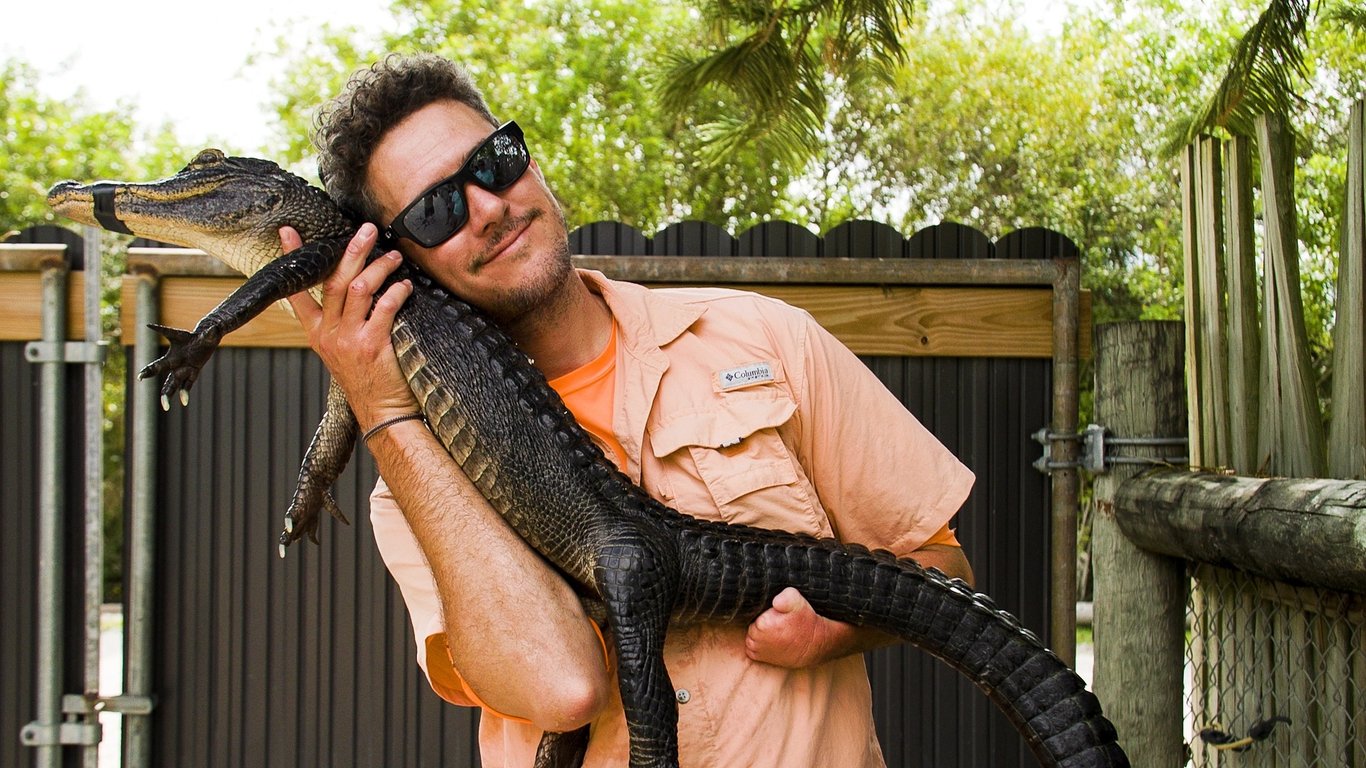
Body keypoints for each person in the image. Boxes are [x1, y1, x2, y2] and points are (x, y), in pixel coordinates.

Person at [282, 52, 975, 768]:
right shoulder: (413, 484)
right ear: (402, 262)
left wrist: (842, 626)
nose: (488, 208)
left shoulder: (768, 339)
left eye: (494, 162)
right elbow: (560, 689)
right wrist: (378, 409)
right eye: (436, 209)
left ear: (531, 161)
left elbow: (945, 568)